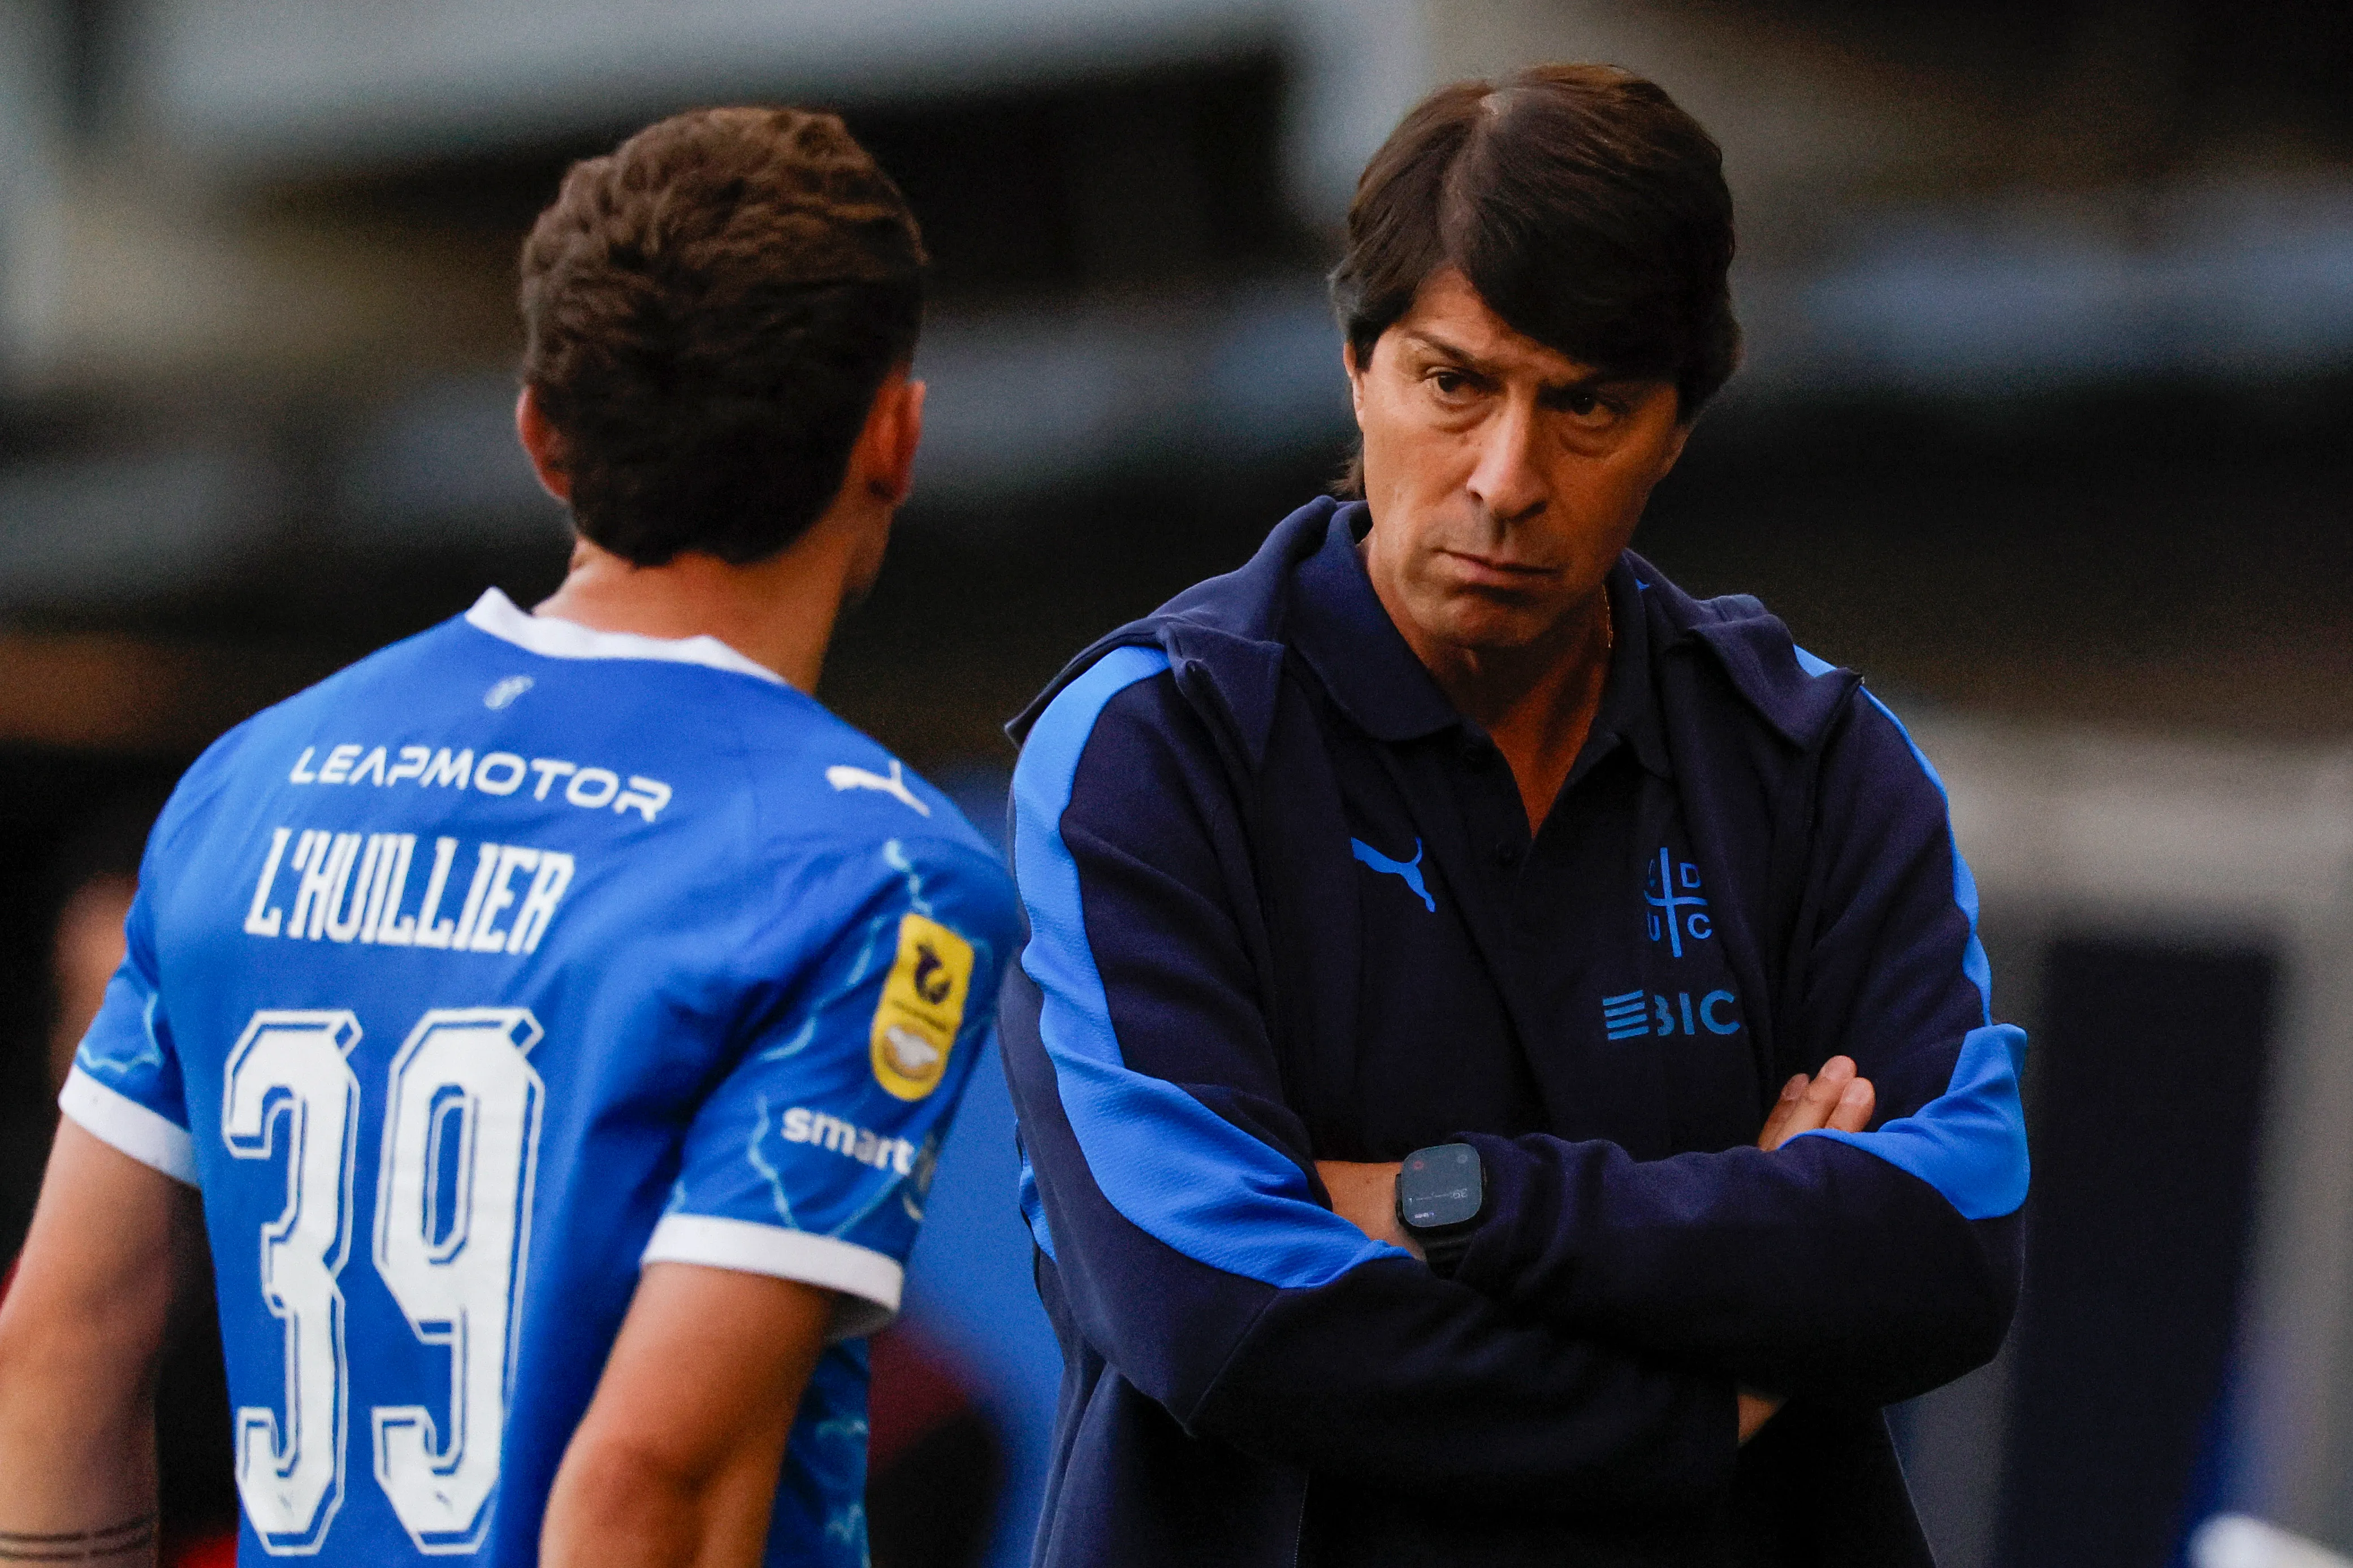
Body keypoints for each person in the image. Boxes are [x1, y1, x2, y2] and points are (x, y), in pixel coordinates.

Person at [998, 63, 2026, 1567]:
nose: (1504, 478)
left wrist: (1449, 1200)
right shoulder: (1155, 750)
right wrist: (1716, 1361)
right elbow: (1213, 1310)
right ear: (1359, 370)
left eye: (1587, 406)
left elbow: (1949, 1238)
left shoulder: (1810, 754)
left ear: (1680, 424)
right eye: (1454, 382)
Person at [0, 106, 1020, 1568]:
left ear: (541, 434)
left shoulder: (248, 781)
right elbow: (643, 1489)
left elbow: (54, 1345)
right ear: (896, 436)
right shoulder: (871, 872)